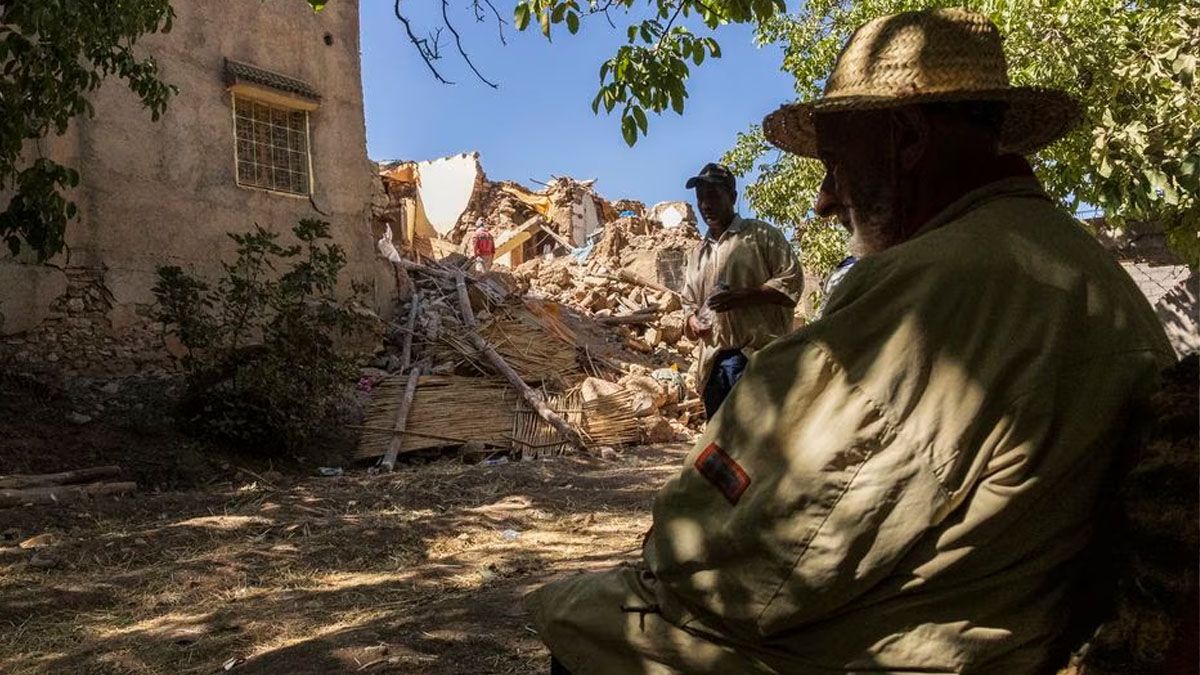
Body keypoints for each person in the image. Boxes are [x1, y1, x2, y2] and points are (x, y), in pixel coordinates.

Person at [526, 8, 1175, 674]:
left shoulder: (938, 282)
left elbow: (757, 554)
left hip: (895, 645)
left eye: (836, 165)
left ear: (908, 140)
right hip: (992, 620)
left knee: (583, 619)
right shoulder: (1076, 264)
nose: (824, 200)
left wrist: (679, 533)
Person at [680, 162, 803, 418]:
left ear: (733, 197)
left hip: (758, 359)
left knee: (760, 438)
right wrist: (692, 321)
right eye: (701, 198)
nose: (705, 205)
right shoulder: (697, 254)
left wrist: (745, 296)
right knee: (720, 440)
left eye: (713, 196)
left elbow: (791, 281)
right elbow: (688, 303)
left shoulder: (761, 235)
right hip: (713, 365)